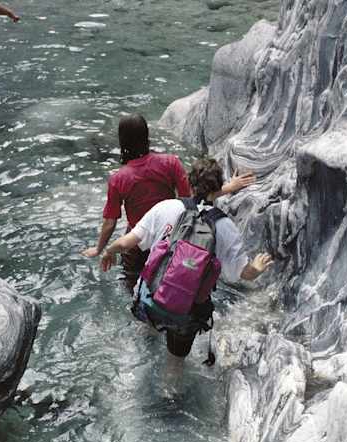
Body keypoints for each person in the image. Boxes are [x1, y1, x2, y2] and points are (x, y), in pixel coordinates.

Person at [99, 157, 273, 358]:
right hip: (188, 312)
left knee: (146, 338)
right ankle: (171, 387)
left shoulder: (166, 207)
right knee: (175, 363)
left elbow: (126, 243)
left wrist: (108, 252)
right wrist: (257, 268)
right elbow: (244, 273)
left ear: (189, 184)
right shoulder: (225, 227)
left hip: (151, 298)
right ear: (218, 187)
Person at [82, 114, 255, 287]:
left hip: (137, 244)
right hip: (171, 237)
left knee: (135, 292)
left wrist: (99, 249)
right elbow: (192, 199)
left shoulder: (118, 179)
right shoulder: (170, 163)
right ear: (147, 136)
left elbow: (110, 222)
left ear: (122, 140)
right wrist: (228, 187)